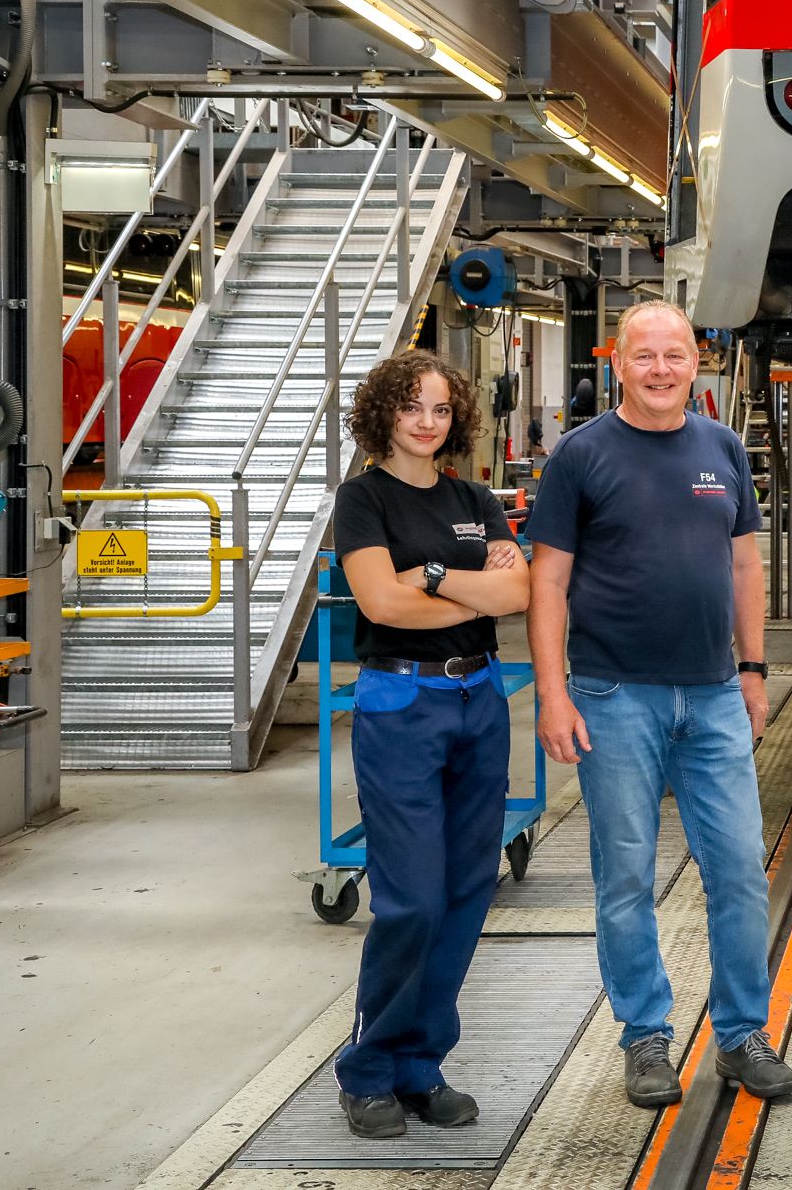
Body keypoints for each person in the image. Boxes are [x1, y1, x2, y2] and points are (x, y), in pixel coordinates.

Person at [526, 300, 792, 1110]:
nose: (660, 369)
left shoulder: (720, 447)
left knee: (741, 869)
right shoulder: (579, 455)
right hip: (613, 696)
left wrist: (753, 669)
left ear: (696, 360)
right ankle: (646, 1035)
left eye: (674, 355)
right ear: (618, 363)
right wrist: (551, 693)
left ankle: (741, 1032)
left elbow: (746, 567)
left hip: (714, 693)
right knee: (625, 876)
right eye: (644, 356)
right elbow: (547, 580)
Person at [331, 350, 532, 1139]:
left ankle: (422, 1065)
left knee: (463, 891)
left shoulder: (474, 496)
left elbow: (516, 594)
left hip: (479, 695)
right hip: (402, 697)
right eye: (412, 406)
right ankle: (370, 1067)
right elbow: (380, 600)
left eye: (441, 409)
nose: (426, 420)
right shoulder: (363, 499)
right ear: (384, 412)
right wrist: (466, 572)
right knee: (410, 895)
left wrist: (434, 573)